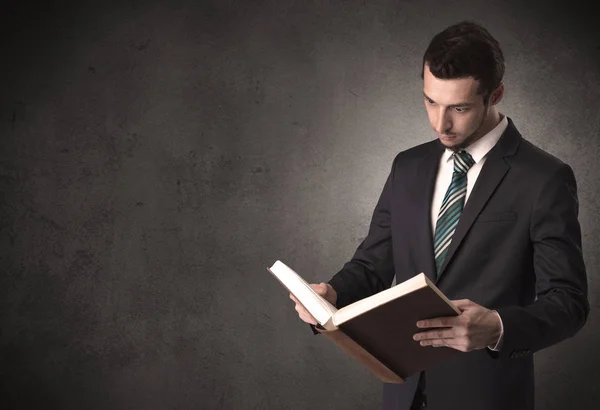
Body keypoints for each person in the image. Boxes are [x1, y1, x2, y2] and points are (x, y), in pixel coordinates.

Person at [289, 21, 589, 410]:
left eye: (458, 108)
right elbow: (372, 265)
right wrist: (331, 294)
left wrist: (497, 327)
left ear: (496, 94)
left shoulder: (544, 178)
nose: (439, 123)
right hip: (402, 392)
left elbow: (568, 302)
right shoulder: (407, 166)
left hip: (488, 396)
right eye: (430, 101)